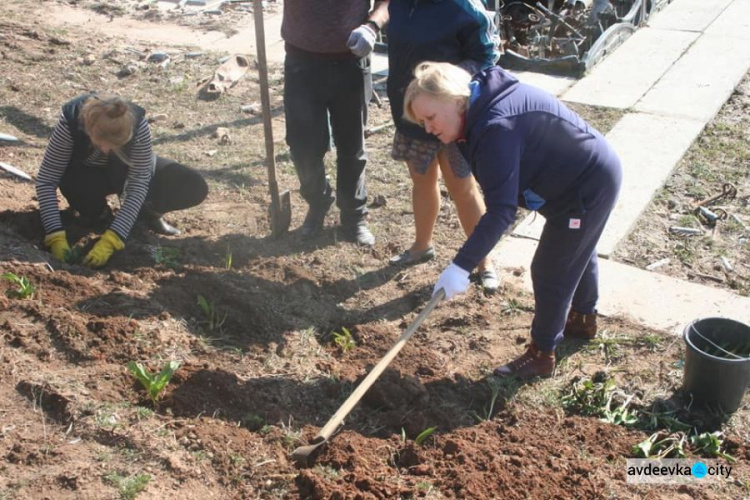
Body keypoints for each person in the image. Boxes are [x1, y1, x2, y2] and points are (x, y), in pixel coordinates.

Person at [403, 62, 623, 379]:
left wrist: (461, 265)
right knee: (576, 247)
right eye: (422, 121)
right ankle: (583, 319)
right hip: (565, 180)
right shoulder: (476, 112)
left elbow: (502, 211)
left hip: (586, 184)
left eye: (430, 117)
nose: (427, 128)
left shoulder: (495, 126)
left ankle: (541, 353)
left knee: (550, 268)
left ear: (454, 99)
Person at [386, 0, 501, 293]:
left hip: (452, 117)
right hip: (413, 114)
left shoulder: (463, 7)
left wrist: (443, 83)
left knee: (462, 188)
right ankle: (421, 246)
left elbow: (487, 55)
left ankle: (483, 261)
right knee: (422, 181)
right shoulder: (399, 4)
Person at [36, 94, 208, 268]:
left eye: (115, 146)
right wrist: (55, 235)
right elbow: (46, 180)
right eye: (105, 145)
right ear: (90, 131)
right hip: (86, 175)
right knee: (77, 185)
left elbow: (139, 181)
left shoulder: (137, 124)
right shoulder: (71, 122)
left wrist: (113, 239)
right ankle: (99, 216)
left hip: (125, 170)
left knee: (192, 185)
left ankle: (146, 214)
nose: (108, 151)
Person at [281, 0, 390, 246]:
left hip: (351, 60)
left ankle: (353, 217)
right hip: (301, 61)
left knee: (351, 146)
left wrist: (372, 27)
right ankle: (318, 202)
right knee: (302, 146)